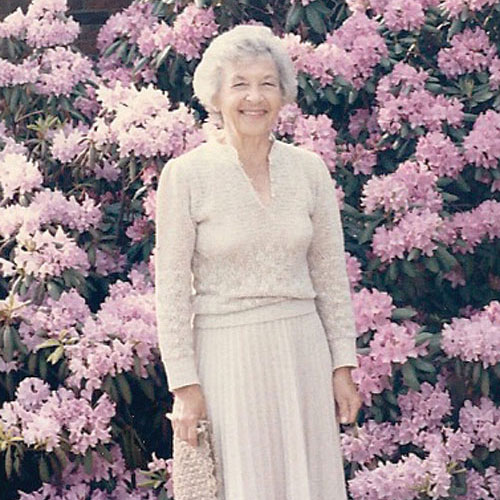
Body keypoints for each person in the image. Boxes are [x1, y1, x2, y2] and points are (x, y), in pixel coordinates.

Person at [155, 24, 362, 500]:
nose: (255, 97)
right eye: (240, 84)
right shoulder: (185, 175)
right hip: (227, 359)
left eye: (267, 83)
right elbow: (169, 288)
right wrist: (184, 385)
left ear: (284, 94)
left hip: (303, 354)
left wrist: (342, 366)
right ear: (216, 95)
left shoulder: (310, 169)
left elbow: (330, 275)